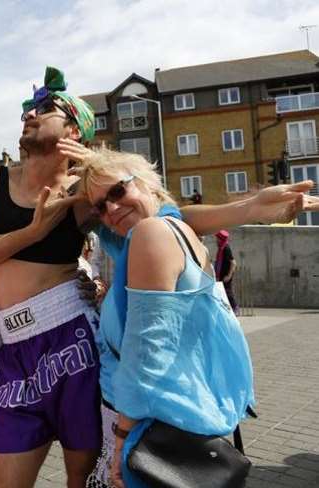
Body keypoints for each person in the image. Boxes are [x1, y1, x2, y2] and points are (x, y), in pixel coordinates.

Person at [0, 67, 102, 488]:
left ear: (74, 130)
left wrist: (245, 210)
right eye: (28, 109)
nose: (30, 114)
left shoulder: (83, 190)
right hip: (16, 350)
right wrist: (34, 232)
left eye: (45, 108)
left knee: (82, 476)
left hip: (72, 339)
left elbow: (148, 214)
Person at [79, 148, 257, 488]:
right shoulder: (165, 233)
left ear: (148, 184)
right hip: (178, 415)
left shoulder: (152, 234)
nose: (111, 209)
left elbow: (146, 357)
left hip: (151, 427)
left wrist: (121, 441)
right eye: (99, 206)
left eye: (118, 191)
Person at [214, 229, 239, 313]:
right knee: (223, 292)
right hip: (222, 275)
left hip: (226, 276)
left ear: (221, 239)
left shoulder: (226, 248)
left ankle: (235, 308)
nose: (216, 240)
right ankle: (227, 309)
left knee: (228, 292)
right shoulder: (221, 248)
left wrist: (229, 275)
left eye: (217, 239)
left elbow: (233, 263)